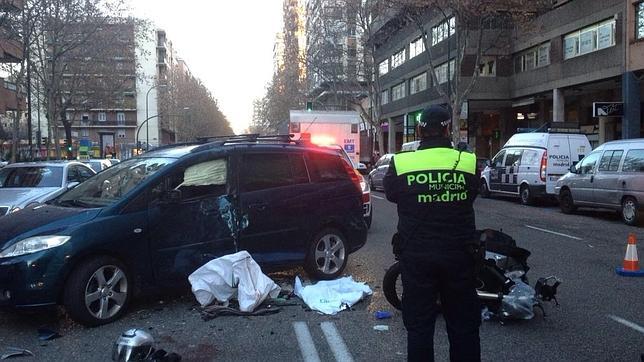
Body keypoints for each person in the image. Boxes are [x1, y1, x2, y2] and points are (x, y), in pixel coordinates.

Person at [383, 105, 481, 362]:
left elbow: (392, 194)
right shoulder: (468, 161)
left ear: (419, 130)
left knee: (419, 327)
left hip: (417, 257)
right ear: (449, 128)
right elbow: (472, 193)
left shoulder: (402, 162)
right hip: (459, 255)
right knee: (464, 327)